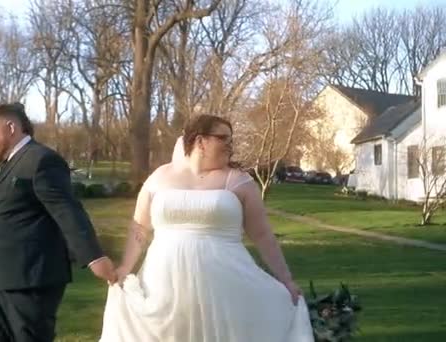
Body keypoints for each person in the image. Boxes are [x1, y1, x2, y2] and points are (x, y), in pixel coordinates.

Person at [99, 114, 313, 341]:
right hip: (164, 281)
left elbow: (262, 235)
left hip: (226, 283)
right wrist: (125, 266)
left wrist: (286, 279)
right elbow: (140, 227)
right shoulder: (159, 177)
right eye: (224, 138)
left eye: (231, 140)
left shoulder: (239, 181)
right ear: (201, 141)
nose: (230, 146)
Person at [0, 102, 117, 342]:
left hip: (30, 280)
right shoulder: (9, 165)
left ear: (11, 127)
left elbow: (67, 211)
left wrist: (94, 256)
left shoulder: (41, 161)